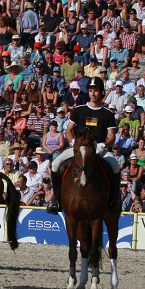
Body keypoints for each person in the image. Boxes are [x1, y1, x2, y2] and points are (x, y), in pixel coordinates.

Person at [46, 76, 120, 213]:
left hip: (99, 149)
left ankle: (114, 200)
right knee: (56, 164)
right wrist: (73, 141)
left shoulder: (107, 113)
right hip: (79, 148)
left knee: (115, 167)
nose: (93, 93)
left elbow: (111, 136)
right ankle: (56, 199)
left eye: (96, 90)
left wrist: (104, 145)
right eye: (91, 90)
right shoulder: (79, 110)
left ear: (101, 92)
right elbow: (68, 130)